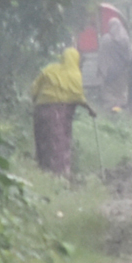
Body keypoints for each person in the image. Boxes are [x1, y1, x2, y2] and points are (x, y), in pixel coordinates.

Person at [31, 45, 97, 176]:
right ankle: (60, 175)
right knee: (58, 143)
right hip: (60, 115)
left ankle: (43, 170)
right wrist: (90, 110)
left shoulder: (49, 70)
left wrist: (36, 102)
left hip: (41, 109)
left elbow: (34, 89)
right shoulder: (75, 74)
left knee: (43, 140)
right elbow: (78, 96)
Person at [98, 17, 130, 110]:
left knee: (109, 92)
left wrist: (101, 70)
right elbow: (129, 56)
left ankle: (112, 109)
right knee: (121, 92)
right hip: (122, 71)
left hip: (109, 71)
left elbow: (101, 56)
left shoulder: (105, 39)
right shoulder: (125, 39)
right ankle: (121, 108)